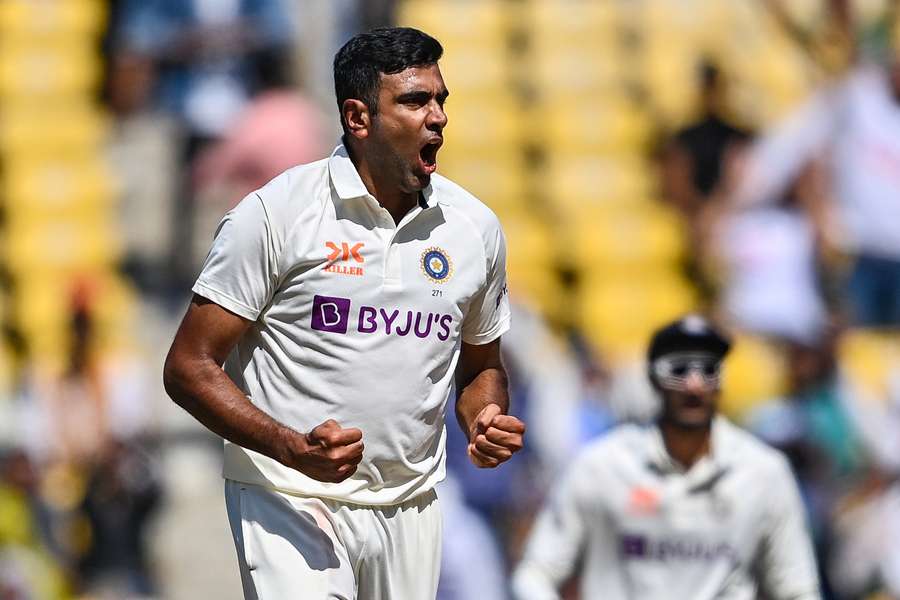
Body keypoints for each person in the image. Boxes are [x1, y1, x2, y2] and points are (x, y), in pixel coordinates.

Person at [163, 27, 525, 600]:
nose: (438, 118)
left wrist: (483, 418)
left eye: (440, 100)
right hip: (288, 497)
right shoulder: (275, 214)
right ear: (358, 119)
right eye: (414, 101)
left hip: (410, 503)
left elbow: (481, 364)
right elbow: (188, 366)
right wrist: (288, 445)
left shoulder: (473, 228)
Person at [511, 315, 821, 600]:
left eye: (708, 370)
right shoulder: (601, 467)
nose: (695, 385)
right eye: (679, 370)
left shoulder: (763, 473)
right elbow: (536, 573)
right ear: (653, 379)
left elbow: (797, 589)